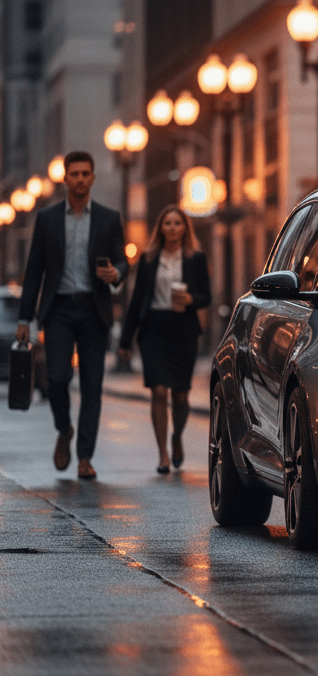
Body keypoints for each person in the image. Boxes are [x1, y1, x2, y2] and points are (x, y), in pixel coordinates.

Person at [15, 151, 127, 480]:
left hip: (95, 309)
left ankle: (84, 458)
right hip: (59, 309)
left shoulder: (108, 218)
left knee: (92, 386)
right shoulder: (47, 218)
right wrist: (25, 319)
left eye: (85, 173)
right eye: (73, 173)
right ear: (65, 179)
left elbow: (123, 261)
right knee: (58, 379)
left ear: (93, 178)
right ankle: (64, 429)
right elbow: (34, 270)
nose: (79, 179)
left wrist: (115, 274)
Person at [117, 205, 210, 474]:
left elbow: (207, 296)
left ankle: (177, 437)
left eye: (177, 223)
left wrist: (191, 299)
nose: (172, 228)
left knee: (180, 396)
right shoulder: (147, 259)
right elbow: (136, 303)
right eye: (167, 223)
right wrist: (125, 340)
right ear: (160, 228)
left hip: (183, 330)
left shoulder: (196, 258)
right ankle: (162, 456)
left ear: (184, 228)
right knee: (159, 392)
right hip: (153, 331)